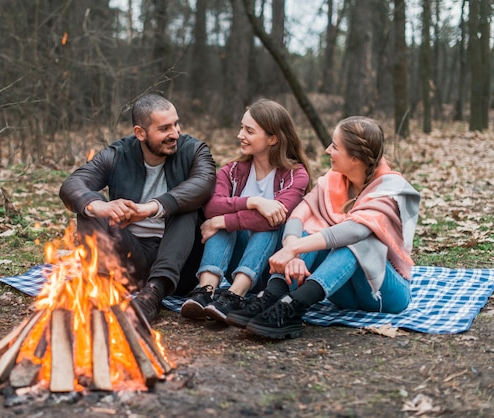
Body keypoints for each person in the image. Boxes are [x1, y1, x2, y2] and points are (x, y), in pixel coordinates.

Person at [224, 116, 421, 338]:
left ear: (354, 158)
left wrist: (295, 249)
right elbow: (299, 214)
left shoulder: (391, 189)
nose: (328, 150)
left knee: (359, 241)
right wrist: (293, 251)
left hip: (385, 294)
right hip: (341, 292)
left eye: (335, 147)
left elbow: (355, 230)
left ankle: (294, 306)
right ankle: (271, 297)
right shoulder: (334, 180)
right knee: (310, 232)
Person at [59, 94, 216, 323]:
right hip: (130, 259)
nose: (175, 134)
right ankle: (103, 288)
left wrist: (152, 207)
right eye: (164, 128)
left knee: (187, 209)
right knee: (90, 208)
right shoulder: (117, 154)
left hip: (179, 266)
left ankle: (154, 293)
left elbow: (204, 184)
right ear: (140, 133)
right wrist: (100, 206)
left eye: (176, 124)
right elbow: (72, 185)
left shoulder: (193, 150)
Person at [180, 99, 311, 322]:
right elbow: (212, 207)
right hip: (233, 262)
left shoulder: (295, 175)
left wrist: (222, 221)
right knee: (222, 224)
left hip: (272, 270)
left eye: (249, 131)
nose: (241, 135)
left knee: (264, 224)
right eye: (242, 127)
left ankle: (234, 296)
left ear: (272, 138)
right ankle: (205, 292)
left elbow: (275, 220)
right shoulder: (231, 171)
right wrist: (253, 201)